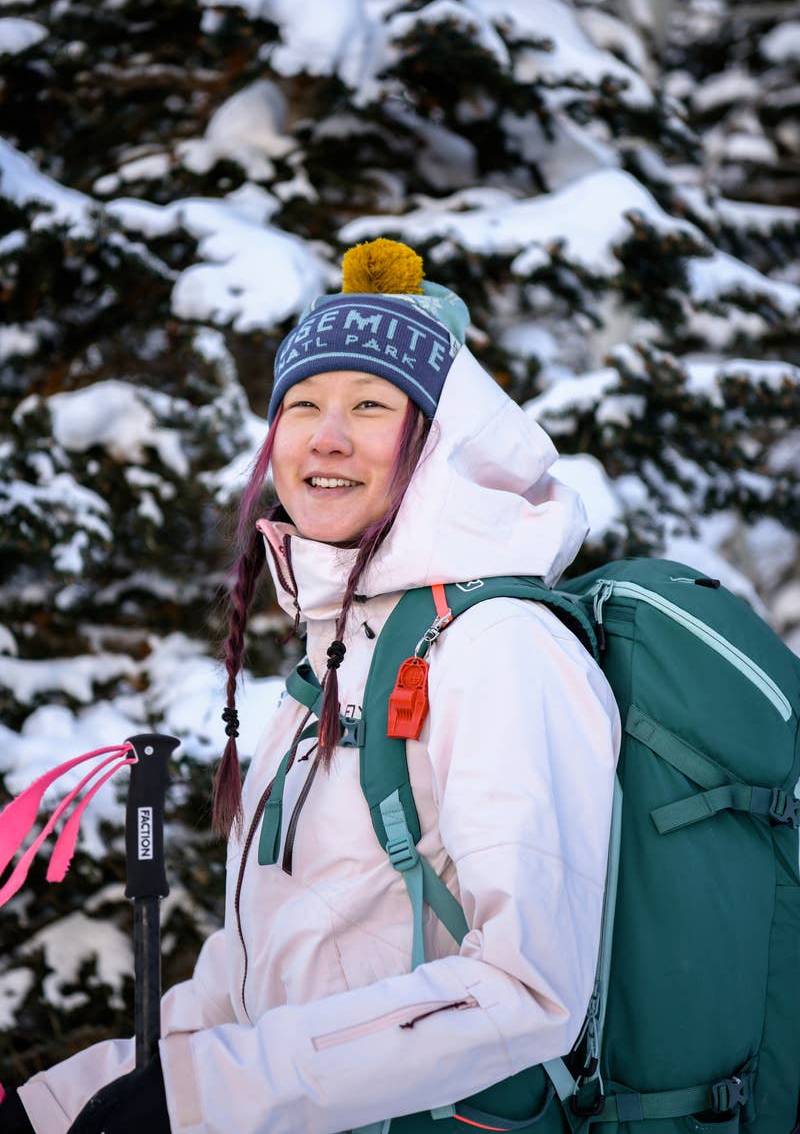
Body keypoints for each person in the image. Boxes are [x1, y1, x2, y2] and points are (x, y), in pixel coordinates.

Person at [0, 239, 620, 1134]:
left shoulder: (499, 647)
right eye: (301, 404)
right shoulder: (336, 656)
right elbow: (252, 985)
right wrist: (51, 1108)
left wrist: (202, 1098)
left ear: (437, 443)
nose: (326, 437)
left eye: (371, 404)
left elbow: (525, 988)